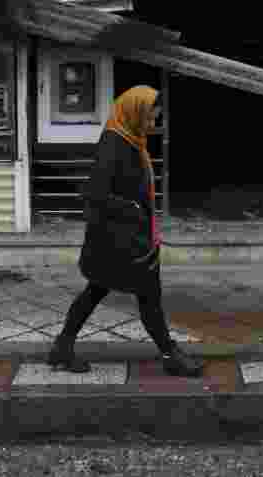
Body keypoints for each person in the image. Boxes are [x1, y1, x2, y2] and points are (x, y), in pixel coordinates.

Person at [47, 85, 204, 377]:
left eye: (154, 119)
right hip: (122, 240)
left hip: (122, 237)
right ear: (134, 112)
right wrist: (132, 211)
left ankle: (62, 347)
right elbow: (95, 192)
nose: (152, 125)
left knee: (96, 291)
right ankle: (171, 355)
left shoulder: (130, 139)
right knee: (148, 296)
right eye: (149, 119)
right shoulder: (114, 143)